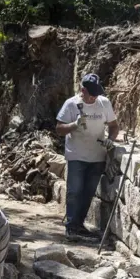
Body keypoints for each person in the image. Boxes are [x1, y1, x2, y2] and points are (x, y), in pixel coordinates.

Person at [55, 73, 119, 238]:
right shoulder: (71, 104)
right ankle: (71, 227)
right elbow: (59, 129)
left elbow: (114, 126)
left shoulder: (104, 103)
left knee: (88, 193)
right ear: (82, 90)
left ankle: (79, 225)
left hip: (97, 155)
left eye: (97, 94)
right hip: (76, 154)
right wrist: (74, 125)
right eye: (91, 94)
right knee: (74, 192)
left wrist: (111, 140)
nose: (94, 98)